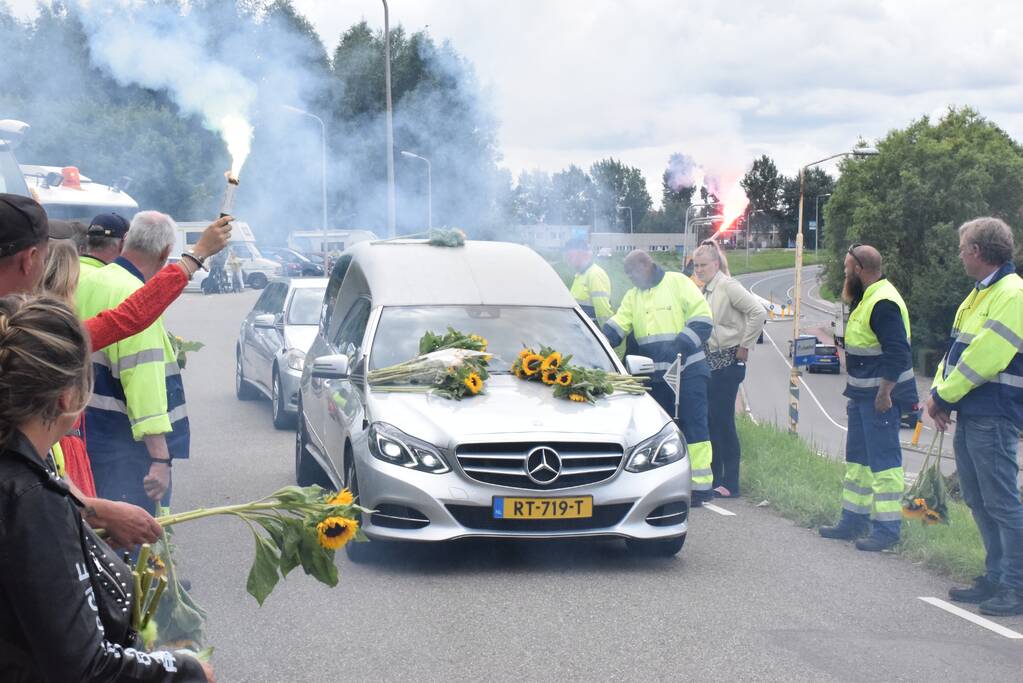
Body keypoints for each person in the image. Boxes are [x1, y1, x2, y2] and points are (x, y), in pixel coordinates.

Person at [0, 294, 214, 681]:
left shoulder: (24, 464)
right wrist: (185, 669)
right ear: (67, 397)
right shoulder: (30, 500)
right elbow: (85, 667)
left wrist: (88, 540)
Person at [43, 216, 231, 504]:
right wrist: (160, 457)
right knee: (125, 540)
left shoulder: (36, 317)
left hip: (73, 442)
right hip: (118, 449)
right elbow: (130, 319)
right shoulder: (39, 330)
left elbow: (125, 319)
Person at [928, 218, 1023, 616]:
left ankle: (1015, 587)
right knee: (978, 499)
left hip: (995, 413)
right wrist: (939, 395)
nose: (960, 254)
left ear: (978, 252)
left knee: (1002, 502)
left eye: (963, 248)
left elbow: (986, 358)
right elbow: (954, 351)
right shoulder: (979, 294)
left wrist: (944, 395)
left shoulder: (1012, 293)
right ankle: (996, 576)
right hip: (971, 410)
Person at [77, 211, 193, 516]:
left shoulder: (88, 282)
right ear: (166, 253)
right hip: (128, 450)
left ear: (127, 241)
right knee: (135, 547)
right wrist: (159, 458)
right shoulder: (136, 296)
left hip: (88, 434)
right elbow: (142, 378)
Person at [819, 244, 917, 551]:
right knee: (858, 462)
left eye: (848, 267)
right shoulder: (867, 298)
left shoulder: (883, 302)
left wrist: (885, 393)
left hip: (880, 399)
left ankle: (887, 530)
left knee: (884, 465)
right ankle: (853, 521)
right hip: (863, 396)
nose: (845, 271)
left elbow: (898, 352)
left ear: (860, 269)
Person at [602, 250, 715, 505]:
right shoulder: (633, 297)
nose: (630, 278)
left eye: (632, 272)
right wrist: (597, 340)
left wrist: (680, 346)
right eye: (626, 274)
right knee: (660, 433)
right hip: (657, 378)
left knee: (694, 425)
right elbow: (618, 325)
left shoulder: (677, 283)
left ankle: (700, 487)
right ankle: (665, 484)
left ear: (646, 264)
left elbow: (703, 320)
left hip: (688, 371)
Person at [692, 240, 766, 498]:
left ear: (715, 264)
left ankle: (731, 483)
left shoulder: (727, 286)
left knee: (723, 423)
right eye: (696, 265)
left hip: (728, 363)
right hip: (711, 363)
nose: (698, 269)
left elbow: (758, 312)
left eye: (703, 265)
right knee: (712, 421)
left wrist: (745, 345)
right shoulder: (707, 289)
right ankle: (717, 477)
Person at [564, 237, 613, 326]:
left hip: (593, 335)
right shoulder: (580, 275)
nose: (568, 260)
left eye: (570, 256)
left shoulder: (595, 274)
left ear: (581, 253)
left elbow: (603, 312)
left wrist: (605, 337)